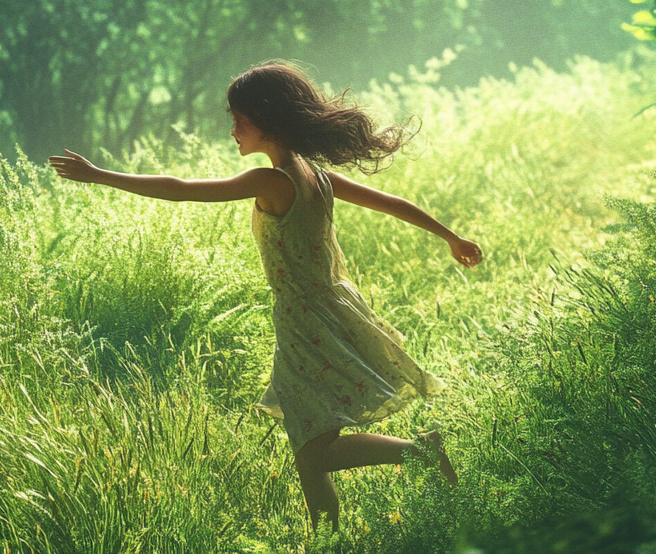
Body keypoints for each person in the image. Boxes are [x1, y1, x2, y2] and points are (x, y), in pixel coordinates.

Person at [48, 60, 480, 532]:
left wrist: (102, 175)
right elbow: (393, 204)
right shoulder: (314, 174)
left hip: (305, 321)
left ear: (268, 121)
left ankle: (418, 453)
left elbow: (182, 190)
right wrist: (450, 236)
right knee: (308, 449)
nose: (232, 129)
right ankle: (329, 536)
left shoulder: (273, 180)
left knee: (312, 447)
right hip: (329, 310)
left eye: (239, 119)